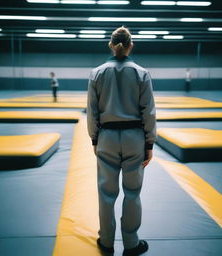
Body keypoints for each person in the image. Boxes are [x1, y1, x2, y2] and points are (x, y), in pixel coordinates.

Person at [87, 26, 157, 256]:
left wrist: (95, 139)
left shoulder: (97, 73)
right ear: (131, 45)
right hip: (134, 138)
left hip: (106, 137)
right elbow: (149, 112)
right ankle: (131, 243)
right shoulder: (141, 73)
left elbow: (92, 111)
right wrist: (149, 144)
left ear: (110, 44)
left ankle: (106, 241)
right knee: (133, 192)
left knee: (105, 194)